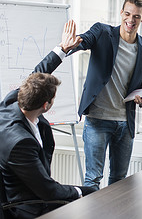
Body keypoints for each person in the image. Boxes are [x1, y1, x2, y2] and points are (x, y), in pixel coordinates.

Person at [0, 22, 94, 219]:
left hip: (36, 189)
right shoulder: (20, 142)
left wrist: (62, 49)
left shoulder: (14, 100)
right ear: (46, 105)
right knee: (90, 196)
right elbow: (48, 191)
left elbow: (37, 75)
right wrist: (81, 192)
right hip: (24, 205)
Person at [62, 0, 142, 189]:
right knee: (93, 179)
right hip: (97, 120)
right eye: (127, 14)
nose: (131, 20)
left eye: (136, 16)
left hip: (125, 123)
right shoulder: (102, 32)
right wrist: (72, 43)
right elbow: (84, 40)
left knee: (119, 182)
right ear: (121, 13)